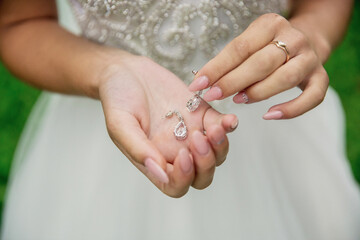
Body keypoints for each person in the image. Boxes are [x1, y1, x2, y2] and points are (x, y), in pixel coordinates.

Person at [0, 0, 359, 239]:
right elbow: (19, 21)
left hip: (270, 122)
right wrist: (109, 69)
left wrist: (310, 35)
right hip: (109, 131)